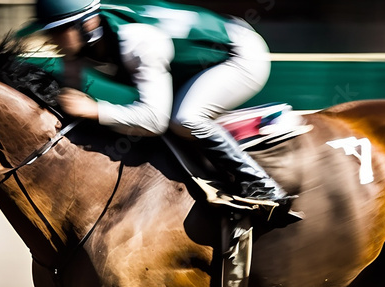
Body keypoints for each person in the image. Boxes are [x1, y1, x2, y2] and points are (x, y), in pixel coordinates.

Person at [23, 0, 297, 221]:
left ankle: (262, 184)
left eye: (57, 31)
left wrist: (95, 110)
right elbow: (72, 98)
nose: (50, 40)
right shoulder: (84, 40)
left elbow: (154, 120)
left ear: (88, 24)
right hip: (202, 54)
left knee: (184, 118)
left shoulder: (136, 42)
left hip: (241, 54)